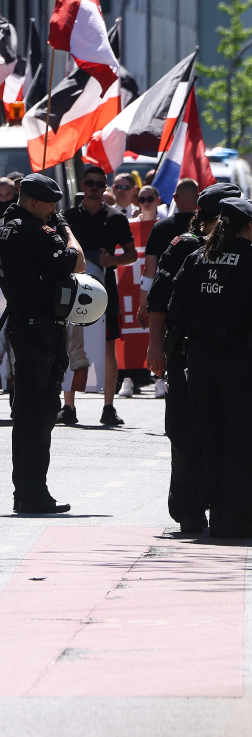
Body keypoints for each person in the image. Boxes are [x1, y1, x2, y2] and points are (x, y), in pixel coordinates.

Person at [145, 182, 241, 533]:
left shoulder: (240, 249)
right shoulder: (186, 246)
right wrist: (155, 346)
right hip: (186, 350)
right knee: (187, 432)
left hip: (227, 355)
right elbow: (158, 300)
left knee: (224, 431)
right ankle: (188, 508)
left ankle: (221, 506)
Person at [0, 172, 84, 515]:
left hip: (21, 326)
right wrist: (65, 228)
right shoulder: (34, 231)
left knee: (24, 412)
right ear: (33, 201)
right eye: (51, 204)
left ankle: (24, 491)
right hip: (41, 331)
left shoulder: (1, 227)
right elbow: (78, 261)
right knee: (40, 415)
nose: (54, 210)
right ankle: (34, 494)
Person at [166, 197, 252, 537]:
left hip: (200, 359)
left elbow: (176, 309)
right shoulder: (249, 258)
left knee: (212, 436)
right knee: (241, 437)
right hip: (238, 358)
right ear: (247, 226)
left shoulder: (196, 257)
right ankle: (234, 516)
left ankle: (214, 512)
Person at [60, 165, 136, 427]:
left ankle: (108, 407)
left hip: (105, 290)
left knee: (107, 346)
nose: (94, 187)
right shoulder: (67, 217)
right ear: (82, 186)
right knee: (70, 343)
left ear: (105, 187)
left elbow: (131, 254)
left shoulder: (116, 218)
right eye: (90, 183)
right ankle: (68, 406)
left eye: (99, 184)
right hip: (73, 289)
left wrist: (112, 260)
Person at [142, 178, 198, 280]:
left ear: (175, 198)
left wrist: (144, 291)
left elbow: (149, 269)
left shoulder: (159, 227)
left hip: (166, 287)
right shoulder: (206, 227)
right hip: (197, 287)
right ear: (198, 198)